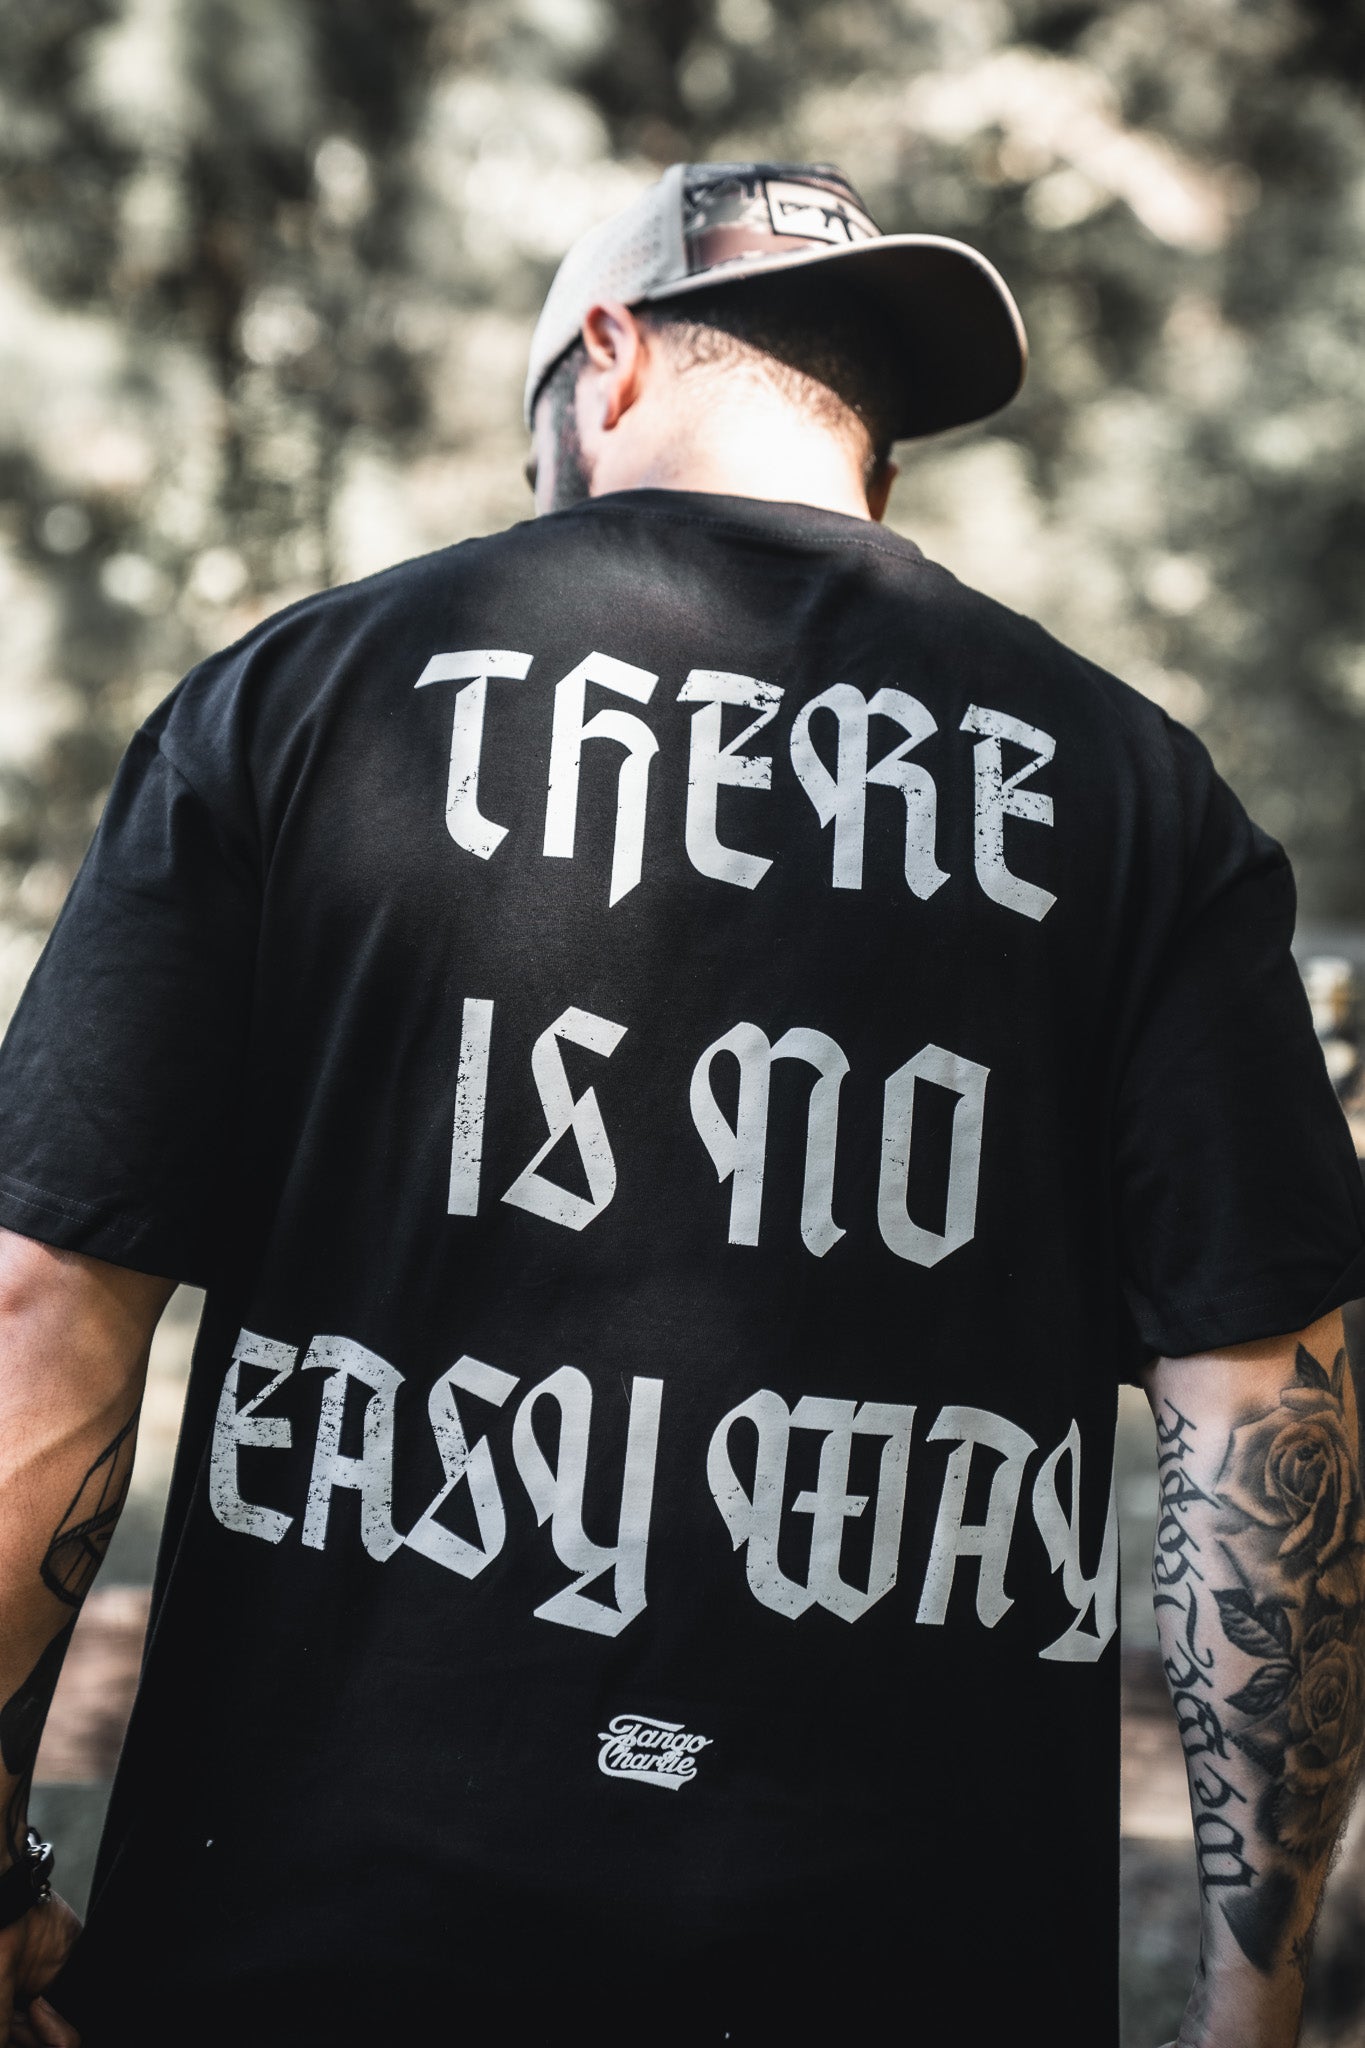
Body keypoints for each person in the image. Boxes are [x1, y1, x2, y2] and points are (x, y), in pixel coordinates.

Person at [0, 158, 1360, 2048]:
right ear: (866, 426)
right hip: (915, 1968)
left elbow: (47, 1310)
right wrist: (1254, 1985)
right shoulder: (1139, 797)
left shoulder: (299, 704)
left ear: (610, 359)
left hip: (311, 1945)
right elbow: (1261, 1409)